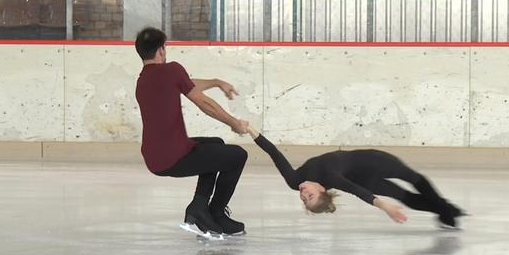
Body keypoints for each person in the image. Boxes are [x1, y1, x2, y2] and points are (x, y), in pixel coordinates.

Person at [134, 27, 249, 236]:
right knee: (238, 156)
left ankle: (199, 206)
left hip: (154, 157)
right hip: (174, 156)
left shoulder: (144, 80)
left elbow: (185, 83)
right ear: (161, 50)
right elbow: (204, 104)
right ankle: (216, 212)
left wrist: (215, 82)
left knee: (215, 144)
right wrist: (234, 122)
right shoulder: (172, 70)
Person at [245, 125, 465, 228]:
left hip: (375, 162)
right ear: (321, 190)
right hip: (367, 179)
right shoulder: (331, 177)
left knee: (415, 179)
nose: (303, 195)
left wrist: (252, 131)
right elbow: (358, 191)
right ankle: (447, 211)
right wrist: (385, 207)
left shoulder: (294, 181)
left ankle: (447, 210)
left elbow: (275, 154)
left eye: (304, 199)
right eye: (309, 198)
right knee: (407, 198)